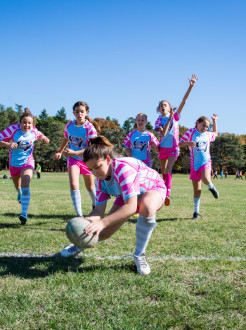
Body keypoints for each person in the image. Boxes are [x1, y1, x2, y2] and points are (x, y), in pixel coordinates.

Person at [61, 136, 167, 276]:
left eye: (98, 167)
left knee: (146, 207)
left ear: (108, 160)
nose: (95, 173)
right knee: (103, 233)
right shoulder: (100, 181)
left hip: (152, 188)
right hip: (127, 196)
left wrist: (102, 222)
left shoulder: (123, 170)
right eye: (91, 169)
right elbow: (99, 210)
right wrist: (86, 224)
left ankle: (139, 255)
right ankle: (80, 245)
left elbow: (130, 207)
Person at [0, 108, 50, 225]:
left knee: (26, 183)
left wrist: (44, 138)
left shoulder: (34, 131)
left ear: (32, 124)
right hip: (14, 163)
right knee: (18, 186)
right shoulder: (12, 129)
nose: (27, 125)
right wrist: (9, 144)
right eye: (24, 122)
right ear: (20, 123)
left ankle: (24, 214)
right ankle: (19, 193)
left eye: (29, 123)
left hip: (28, 162)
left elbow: (40, 134)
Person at [154, 74, 198, 206]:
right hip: (163, 148)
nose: (163, 107)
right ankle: (163, 190)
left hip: (174, 148)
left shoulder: (176, 116)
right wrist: (168, 119)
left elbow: (184, 101)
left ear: (169, 107)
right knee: (163, 171)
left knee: (168, 170)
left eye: (165, 105)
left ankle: (167, 194)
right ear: (159, 109)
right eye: (161, 105)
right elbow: (163, 133)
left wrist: (191, 86)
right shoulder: (158, 120)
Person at [53, 101, 100, 217]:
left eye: (82, 111)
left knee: (90, 187)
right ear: (73, 113)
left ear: (86, 112)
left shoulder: (90, 128)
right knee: (74, 185)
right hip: (73, 159)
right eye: (77, 111)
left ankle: (95, 205)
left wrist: (75, 152)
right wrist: (60, 151)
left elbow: (91, 148)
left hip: (87, 160)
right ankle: (79, 215)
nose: (79, 114)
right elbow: (66, 138)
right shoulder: (69, 126)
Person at [178, 114, 219, 220]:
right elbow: (179, 143)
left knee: (205, 179)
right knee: (197, 190)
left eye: (207, 127)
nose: (205, 128)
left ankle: (211, 187)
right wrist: (188, 143)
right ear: (197, 123)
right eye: (203, 125)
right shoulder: (190, 132)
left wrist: (214, 121)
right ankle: (196, 212)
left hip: (206, 162)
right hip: (194, 165)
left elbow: (215, 134)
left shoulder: (207, 134)